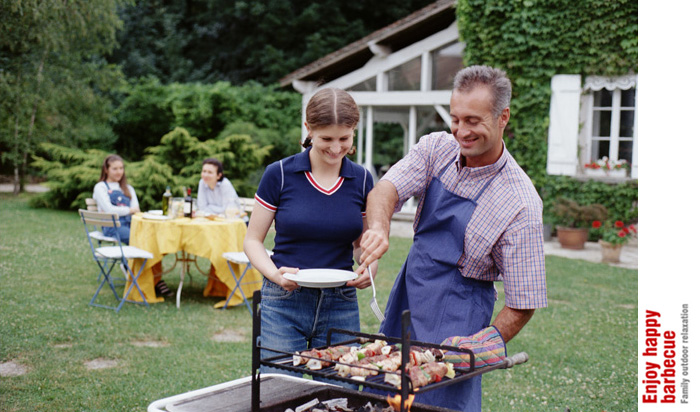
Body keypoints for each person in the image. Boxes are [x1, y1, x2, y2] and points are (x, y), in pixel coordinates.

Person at [356, 65, 548, 411]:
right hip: (410, 293)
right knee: (383, 390)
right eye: (456, 118)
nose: (461, 130)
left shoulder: (520, 203)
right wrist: (379, 228)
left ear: (503, 116)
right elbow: (386, 189)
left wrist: (476, 347)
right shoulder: (436, 149)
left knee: (439, 404)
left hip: (461, 315)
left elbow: (524, 301)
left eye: (473, 121)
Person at [243, 87, 378, 378]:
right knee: (280, 393)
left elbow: (361, 245)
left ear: (354, 130)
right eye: (326, 138)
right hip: (283, 301)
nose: (336, 147)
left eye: (344, 138)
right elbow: (252, 241)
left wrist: (370, 264)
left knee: (340, 396)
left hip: (340, 303)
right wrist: (276, 274)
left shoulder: (363, 179)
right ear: (308, 129)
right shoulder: (278, 174)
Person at [93, 154, 173, 297]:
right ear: (106, 170)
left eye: (121, 168)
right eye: (115, 169)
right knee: (142, 243)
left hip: (131, 223)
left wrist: (127, 211)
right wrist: (129, 210)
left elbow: (137, 208)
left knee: (152, 242)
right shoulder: (101, 187)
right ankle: (143, 276)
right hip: (112, 226)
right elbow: (110, 210)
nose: (119, 172)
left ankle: (152, 279)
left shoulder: (127, 188)